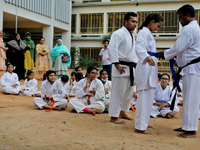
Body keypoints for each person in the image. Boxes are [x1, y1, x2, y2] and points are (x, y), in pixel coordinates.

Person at [160, 4, 200, 138]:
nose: (179, 20)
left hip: (193, 69)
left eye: (180, 17)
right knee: (188, 98)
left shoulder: (189, 29)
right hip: (190, 68)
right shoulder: (194, 27)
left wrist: (164, 54)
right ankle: (187, 126)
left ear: (187, 15)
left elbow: (178, 48)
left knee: (191, 99)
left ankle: (191, 130)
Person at [134, 13, 163, 134]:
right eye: (158, 25)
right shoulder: (143, 32)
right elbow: (139, 47)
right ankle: (140, 127)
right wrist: (146, 57)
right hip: (144, 69)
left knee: (149, 99)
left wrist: (155, 60)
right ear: (151, 21)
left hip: (150, 69)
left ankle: (143, 122)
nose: (158, 28)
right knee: (143, 100)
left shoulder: (149, 34)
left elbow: (150, 52)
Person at [108, 12, 138, 124]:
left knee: (129, 93)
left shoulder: (131, 35)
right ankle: (114, 116)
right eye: (132, 21)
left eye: (136, 22)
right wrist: (116, 64)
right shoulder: (118, 33)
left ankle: (123, 111)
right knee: (118, 93)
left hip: (130, 68)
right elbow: (112, 49)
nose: (134, 24)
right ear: (126, 21)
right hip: (120, 67)